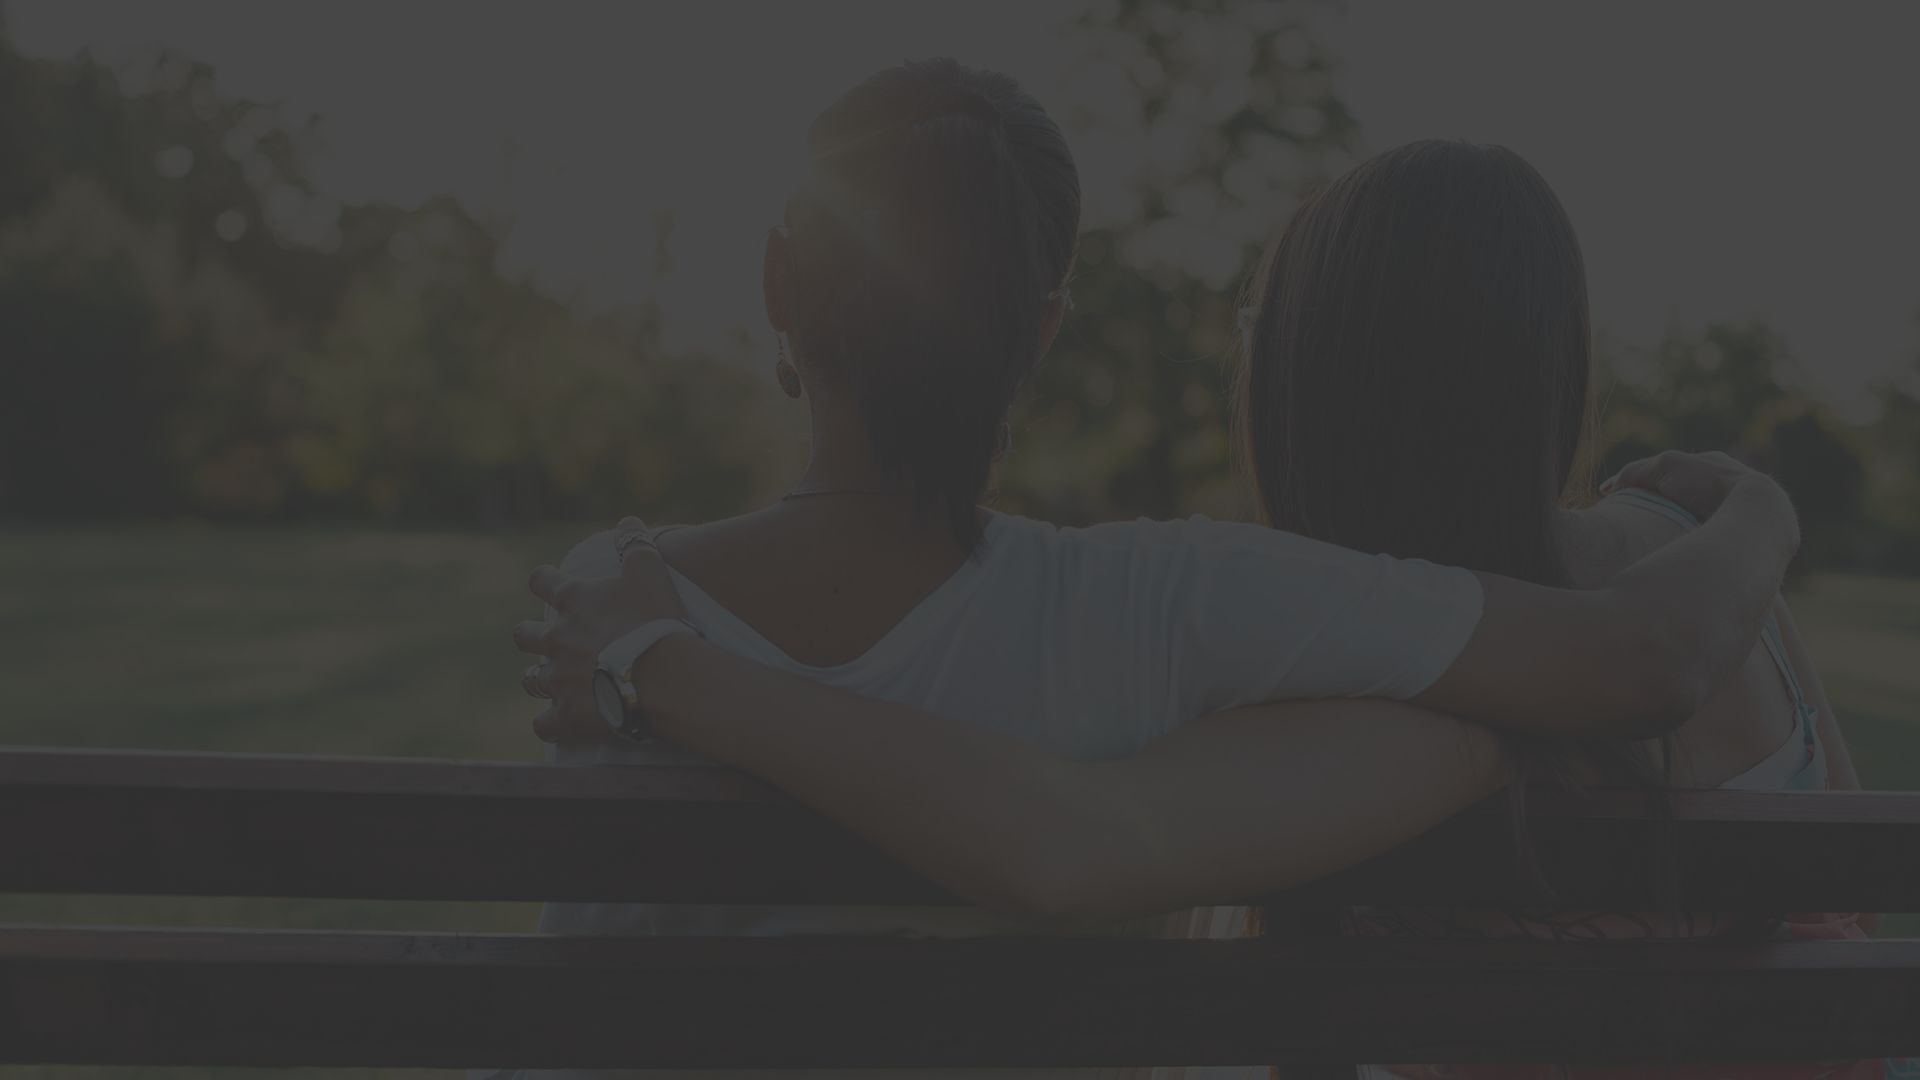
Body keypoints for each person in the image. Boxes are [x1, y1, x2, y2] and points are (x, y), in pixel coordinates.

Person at [512, 61, 1803, 1080]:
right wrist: (1754, 508)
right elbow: (1645, 657)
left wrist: (659, 664)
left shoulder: (613, 596)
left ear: (779, 283)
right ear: (1044, 328)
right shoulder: (1177, 600)